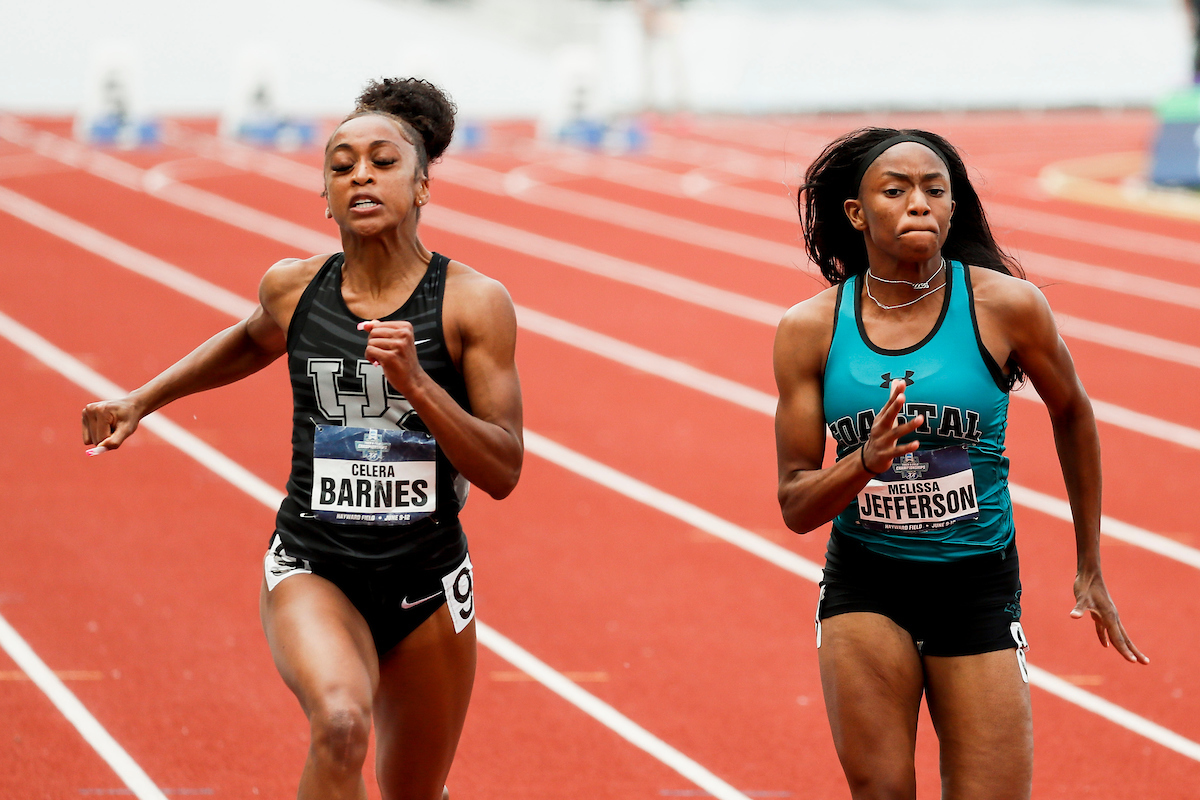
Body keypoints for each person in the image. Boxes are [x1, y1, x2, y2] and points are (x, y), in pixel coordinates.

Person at [81, 77, 523, 800]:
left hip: (430, 581)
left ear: (421, 188)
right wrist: (142, 399)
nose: (360, 176)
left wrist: (416, 384)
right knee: (341, 724)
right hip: (316, 566)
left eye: (382, 162)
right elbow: (250, 340)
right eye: (342, 164)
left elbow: (503, 468)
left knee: (416, 792)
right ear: (323, 194)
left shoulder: (474, 304)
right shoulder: (295, 288)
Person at [772, 128, 1148, 800]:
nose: (919, 203)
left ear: (952, 208)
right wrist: (864, 461)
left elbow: (1074, 413)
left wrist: (1089, 563)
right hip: (867, 585)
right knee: (883, 791)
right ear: (858, 214)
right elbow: (796, 505)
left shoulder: (1006, 307)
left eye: (934, 190)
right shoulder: (810, 330)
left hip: (976, 585)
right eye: (896, 190)